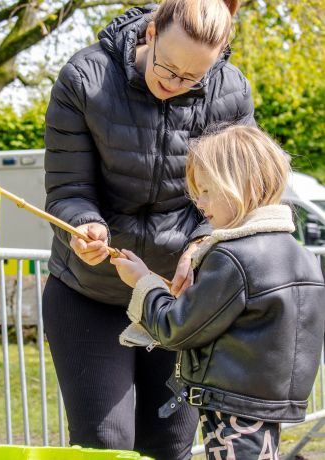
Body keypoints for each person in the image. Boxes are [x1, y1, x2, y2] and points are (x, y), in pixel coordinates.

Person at [43, 1, 254, 458]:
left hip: (179, 302)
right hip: (90, 292)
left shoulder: (231, 92)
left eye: (191, 78)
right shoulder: (86, 78)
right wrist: (85, 226)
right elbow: (68, 189)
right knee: (105, 444)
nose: (173, 84)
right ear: (151, 32)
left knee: (170, 443)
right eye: (168, 68)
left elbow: (238, 197)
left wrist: (199, 246)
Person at [111, 125, 325, 459]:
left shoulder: (233, 256)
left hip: (233, 405)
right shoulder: (302, 256)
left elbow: (176, 328)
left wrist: (143, 282)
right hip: (269, 402)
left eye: (208, 191)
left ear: (241, 187)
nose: (200, 203)